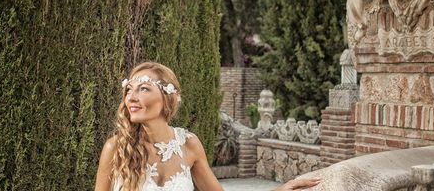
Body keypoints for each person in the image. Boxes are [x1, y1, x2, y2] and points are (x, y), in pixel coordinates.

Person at [94, 61, 321, 191]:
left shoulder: (189, 145)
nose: (131, 97)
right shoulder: (115, 148)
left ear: (167, 98)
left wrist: (279, 190)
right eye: (128, 89)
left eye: (143, 88)